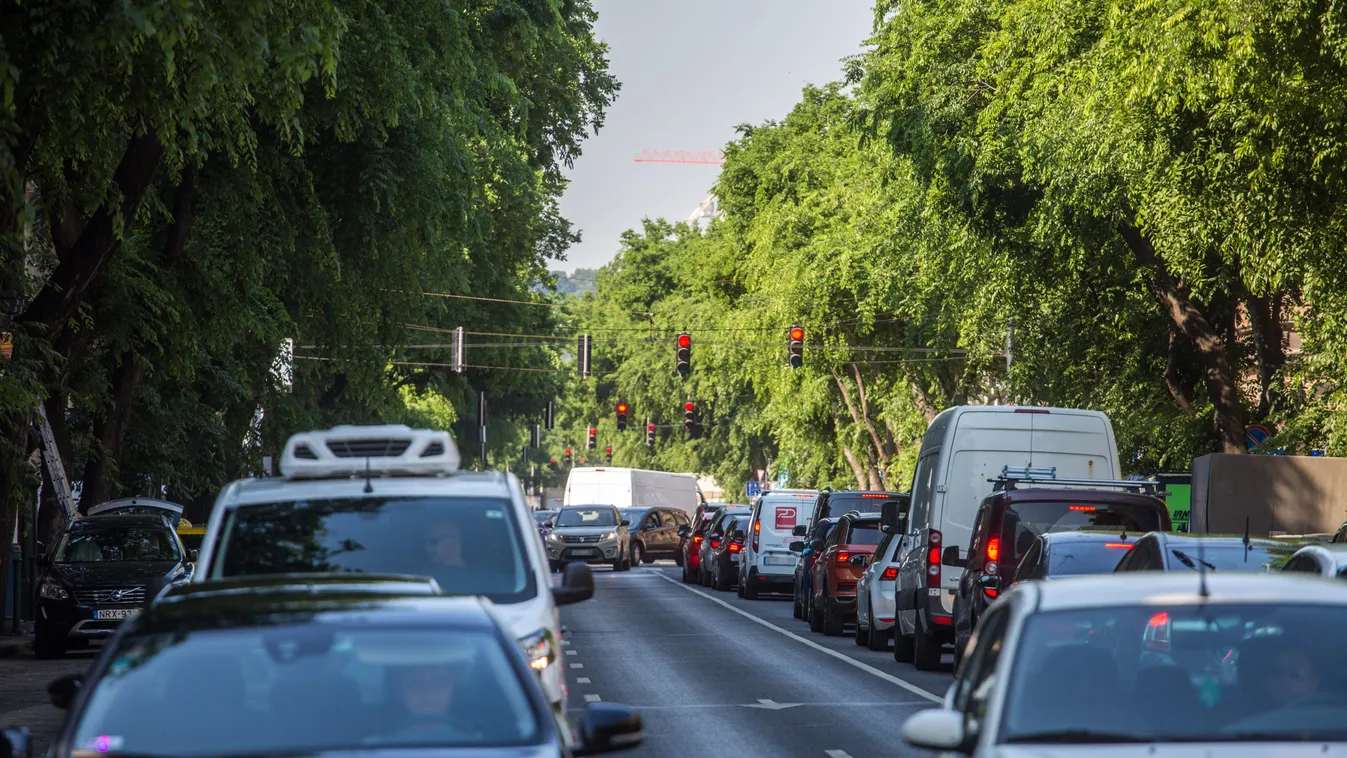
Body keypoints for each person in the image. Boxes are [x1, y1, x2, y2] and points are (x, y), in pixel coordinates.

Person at [383, 663, 482, 742]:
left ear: (453, 690)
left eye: (439, 682)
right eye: (417, 682)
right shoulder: (377, 745)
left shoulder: (478, 744)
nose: (428, 691)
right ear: (401, 691)